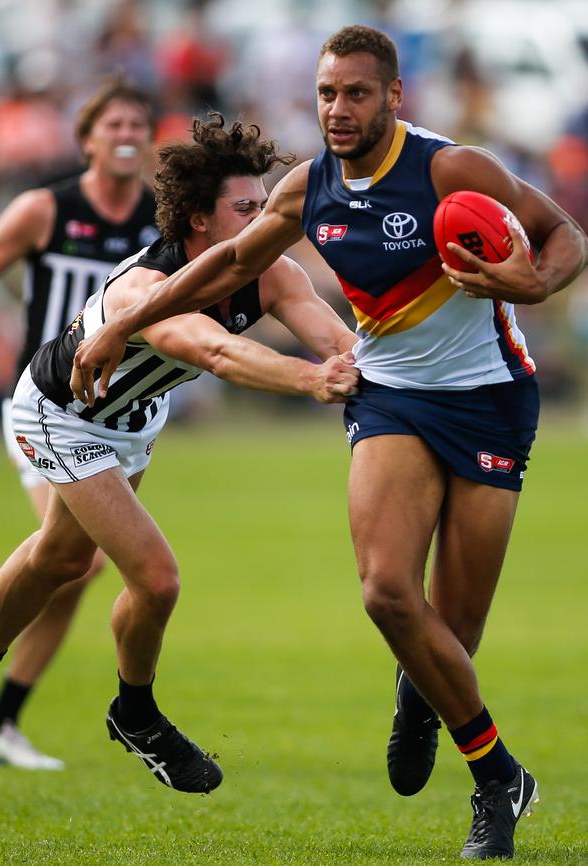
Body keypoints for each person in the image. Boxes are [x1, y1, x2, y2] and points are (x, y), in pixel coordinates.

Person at [66, 26, 587, 861]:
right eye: (325, 94)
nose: (337, 110)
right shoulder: (310, 189)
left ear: (393, 98)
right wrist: (122, 324)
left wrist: (535, 280)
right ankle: (499, 780)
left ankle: (422, 694)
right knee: (387, 594)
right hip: (391, 400)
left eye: (355, 93)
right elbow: (229, 263)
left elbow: (566, 235)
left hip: (492, 404)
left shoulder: (453, 170)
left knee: (451, 632)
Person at [0, 114, 358, 792]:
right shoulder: (147, 289)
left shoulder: (271, 272)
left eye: (267, 203)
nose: (265, 218)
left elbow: (340, 343)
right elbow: (217, 350)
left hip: (131, 423)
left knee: (62, 558)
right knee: (156, 578)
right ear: (198, 219)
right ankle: (136, 712)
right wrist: (310, 380)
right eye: (246, 208)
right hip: (61, 415)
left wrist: (386, 374)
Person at [0, 76, 160, 770]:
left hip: (120, 417)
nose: (127, 135)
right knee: (83, 558)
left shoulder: (163, 216)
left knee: (74, 565)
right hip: (44, 406)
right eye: (113, 125)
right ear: (86, 139)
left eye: (137, 125)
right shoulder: (46, 209)